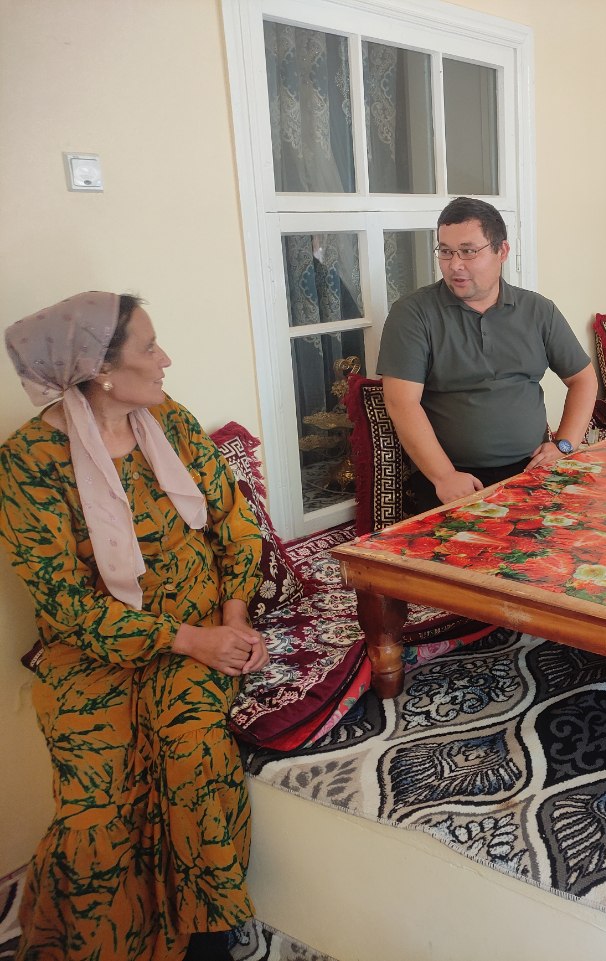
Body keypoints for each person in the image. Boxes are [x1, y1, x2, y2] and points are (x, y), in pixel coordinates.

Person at [0, 292, 270, 961]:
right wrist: (188, 639)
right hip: (96, 649)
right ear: (100, 371)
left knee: (191, 750)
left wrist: (233, 618)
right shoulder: (28, 462)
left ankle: (207, 941)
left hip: (202, 623)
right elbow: (64, 604)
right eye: (149, 348)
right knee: (94, 798)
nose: (165, 359)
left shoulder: (168, 420)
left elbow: (234, 522)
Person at [378, 196, 597, 511]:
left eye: (468, 251)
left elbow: (583, 379)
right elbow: (401, 402)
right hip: (455, 476)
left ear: (502, 251)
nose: (455, 265)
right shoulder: (413, 314)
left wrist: (564, 445)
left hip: (532, 469)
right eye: (445, 251)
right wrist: (444, 476)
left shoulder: (538, 310)